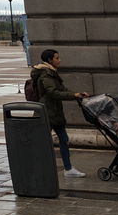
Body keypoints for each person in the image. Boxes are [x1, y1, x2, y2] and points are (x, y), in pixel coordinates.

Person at [30, 48, 88, 178]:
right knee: (44, 141)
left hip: (54, 112)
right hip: (47, 112)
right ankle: (39, 167)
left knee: (63, 139)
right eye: (57, 58)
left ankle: (67, 168)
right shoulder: (46, 74)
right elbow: (53, 93)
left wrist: (76, 94)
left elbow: (61, 89)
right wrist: (73, 95)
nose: (59, 60)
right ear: (50, 60)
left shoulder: (51, 72)